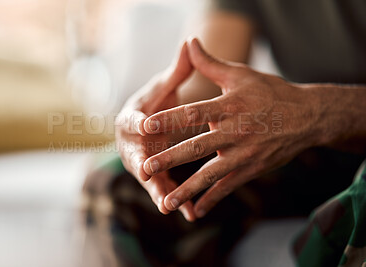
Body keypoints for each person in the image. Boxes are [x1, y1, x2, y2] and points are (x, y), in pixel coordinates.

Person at [110, 0, 366, 265]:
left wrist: (314, 111)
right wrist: (155, 121)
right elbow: (204, 82)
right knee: (116, 185)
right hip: (314, 149)